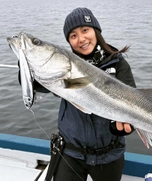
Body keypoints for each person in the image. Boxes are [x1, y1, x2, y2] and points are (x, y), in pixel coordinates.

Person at [17, 7, 136, 181]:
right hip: (70, 152)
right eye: (73, 36)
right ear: (69, 42)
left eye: (85, 30)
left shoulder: (119, 65)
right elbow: (35, 86)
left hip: (109, 154)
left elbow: (134, 104)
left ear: (96, 31)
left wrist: (121, 126)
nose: (81, 39)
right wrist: (26, 64)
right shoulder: (62, 68)